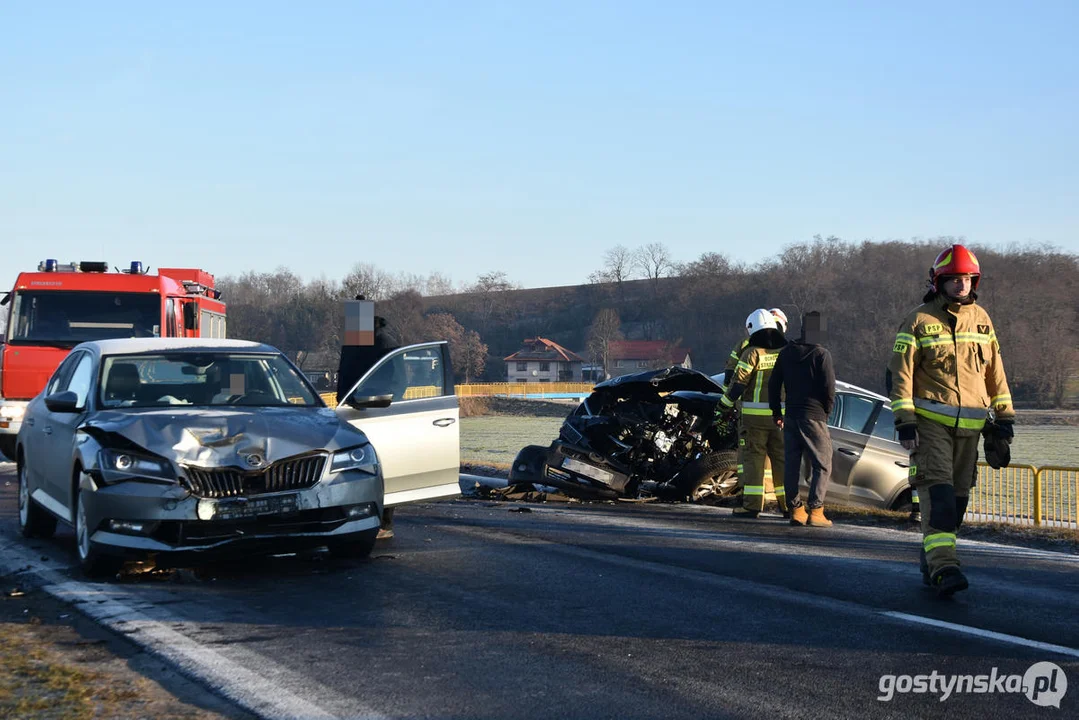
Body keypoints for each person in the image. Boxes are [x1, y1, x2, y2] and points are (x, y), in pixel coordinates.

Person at [886, 244, 1014, 596]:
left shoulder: (983, 320)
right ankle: (945, 568)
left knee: (957, 502)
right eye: (954, 279)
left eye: (967, 279)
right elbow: (900, 377)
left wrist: (1005, 417)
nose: (962, 285)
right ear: (938, 281)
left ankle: (933, 557)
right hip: (929, 425)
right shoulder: (917, 321)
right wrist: (905, 421)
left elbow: (995, 373)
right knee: (938, 494)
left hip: (971, 429)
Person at [718, 309, 789, 518]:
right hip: (781, 418)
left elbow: (737, 384)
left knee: (753, 460)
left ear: (751, 328)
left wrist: (722, 407)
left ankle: (752, 505)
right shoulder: (786, 352)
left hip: (753, 419)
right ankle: (789, 506)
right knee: (783, 460)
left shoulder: (752, 352)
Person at [769, 311, 836, 527]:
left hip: (791, 415)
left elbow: (773, 384)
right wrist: (826, 411)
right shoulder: (821, 354)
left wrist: (776, 412)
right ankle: (816, 511)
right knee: (823, 463)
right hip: (814, 415)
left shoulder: (786, 352)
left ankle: (796, 510)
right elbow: (829, 388)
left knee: (791, 464)